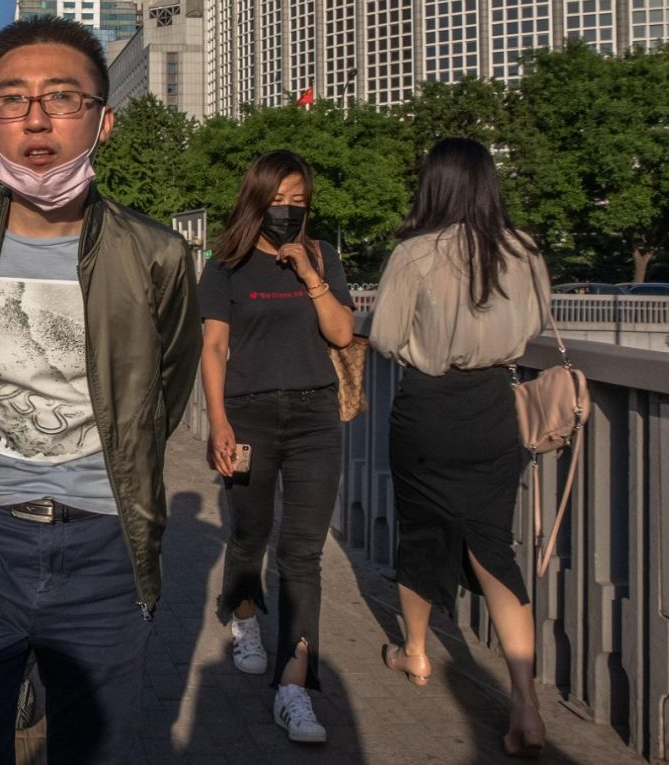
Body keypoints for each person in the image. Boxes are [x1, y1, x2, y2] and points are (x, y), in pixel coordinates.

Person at [0, 16, 201, 764]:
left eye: (62, 97)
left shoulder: (154, 255)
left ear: (104, 119)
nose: (35, 118)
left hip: (105, 543)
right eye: (11, 99)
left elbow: (164, 390)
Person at [369, 137, 550, 758]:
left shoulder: (415, 253)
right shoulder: (523, 250)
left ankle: (415, 653)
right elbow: (531, 328)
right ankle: (525, 702)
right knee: (492, 545)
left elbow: (388, 337)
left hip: (428, 408)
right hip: (494, 409)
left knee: (422, 532)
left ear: (434, 185)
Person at [198, 150, 355, 745]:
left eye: (299, 203)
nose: (288, 211)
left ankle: (294, 687)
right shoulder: (227, 265)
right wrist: (218, 421)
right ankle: (243, 618)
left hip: (317, 415)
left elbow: (341, 332)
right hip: (249, 417)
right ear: (255, 199)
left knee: (304, 552)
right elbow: (214, 349)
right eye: (279, 200)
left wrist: (310, 275)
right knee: (248, 535)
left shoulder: (321, 257)